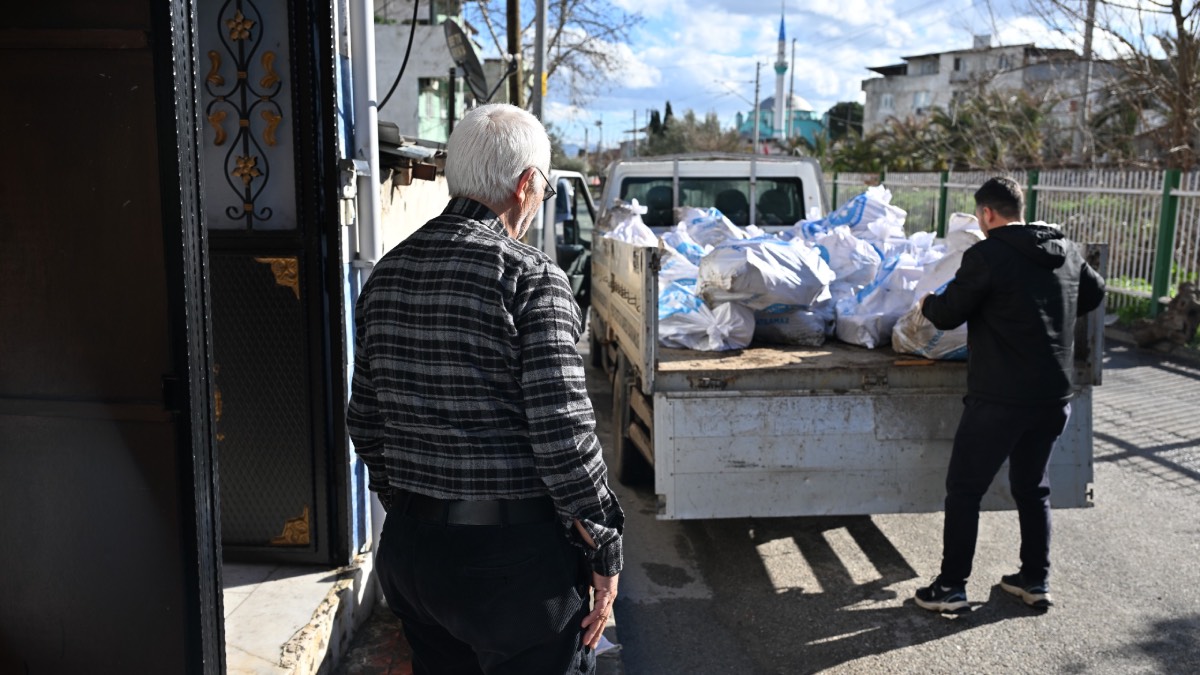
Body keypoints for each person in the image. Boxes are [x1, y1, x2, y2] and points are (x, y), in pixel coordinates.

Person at [348, 103, 623, 674]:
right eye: (543, 189)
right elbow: (565, 438)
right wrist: (603, 542)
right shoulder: (529, 277)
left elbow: (365, 423)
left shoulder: (386, 274)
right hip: (512, 572)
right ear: (526, 185)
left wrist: (414, 507)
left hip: (411, 557)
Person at [914, 177, 1105, 613]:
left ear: (986, 214)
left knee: (964, 490)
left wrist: (926, 302)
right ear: (1022, 208)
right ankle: (1034, 580)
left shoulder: (987, 255)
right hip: (1054, 398)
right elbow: (1094, 294)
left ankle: (951, 588)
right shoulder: (1067, 251)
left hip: (999, 399)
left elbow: (948, 314)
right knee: (1032, 488)